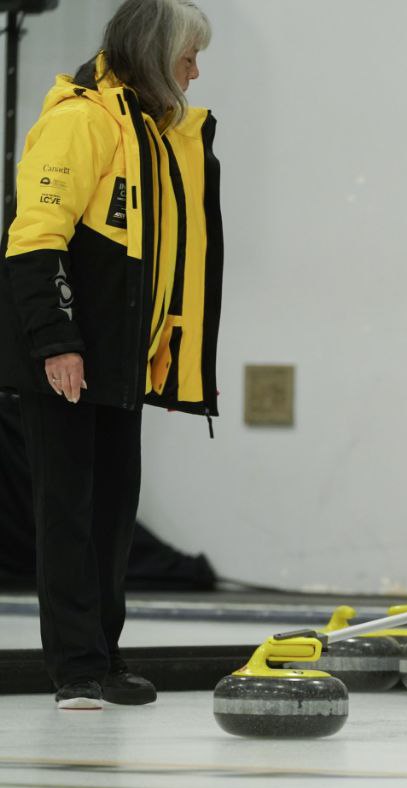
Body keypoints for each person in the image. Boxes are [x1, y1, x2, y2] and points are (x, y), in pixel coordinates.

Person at [0, 0, 220, 710]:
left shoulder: (151, 133)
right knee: (66, 510)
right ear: (155, 53)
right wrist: (55, 343)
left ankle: (107, 654)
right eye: (187, 54)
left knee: (112, 515)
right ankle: (75, 670)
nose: (194, 69)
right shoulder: (80, 119)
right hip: (65, 361)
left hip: (120, 364)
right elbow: (35, 238)